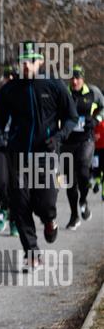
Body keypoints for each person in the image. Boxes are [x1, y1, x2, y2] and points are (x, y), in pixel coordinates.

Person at [0, 41, 77, 271]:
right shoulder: (9, 91)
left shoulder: (54, 85)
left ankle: (50, 219)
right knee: (19, 203)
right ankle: (32, 253)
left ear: (40, 62)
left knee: (45, 203)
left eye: (31, 61)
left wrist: (59, 137)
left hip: (46, 153)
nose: (27, 65)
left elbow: (71, 117)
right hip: (18, 155)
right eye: (23, 61)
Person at [61, 65, 104, 230]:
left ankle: (83, 200)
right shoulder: (64, 92)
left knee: (83, 169)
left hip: (86, 139)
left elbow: (103, 107)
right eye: (72, 78)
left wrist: (96, 119)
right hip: (67, 141)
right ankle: (74, 216)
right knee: (70, 181)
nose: (74, 81)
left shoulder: (93, 92)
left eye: (77, 78)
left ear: (83, 78)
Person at [0, 66, 19, 236]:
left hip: (18, 145)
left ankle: (14, 219)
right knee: (0, 182)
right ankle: (4, 207)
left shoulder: (25, 95)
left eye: (13, 76)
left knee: (16, 184)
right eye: (7, 76)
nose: (10, 79)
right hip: (0, 144)